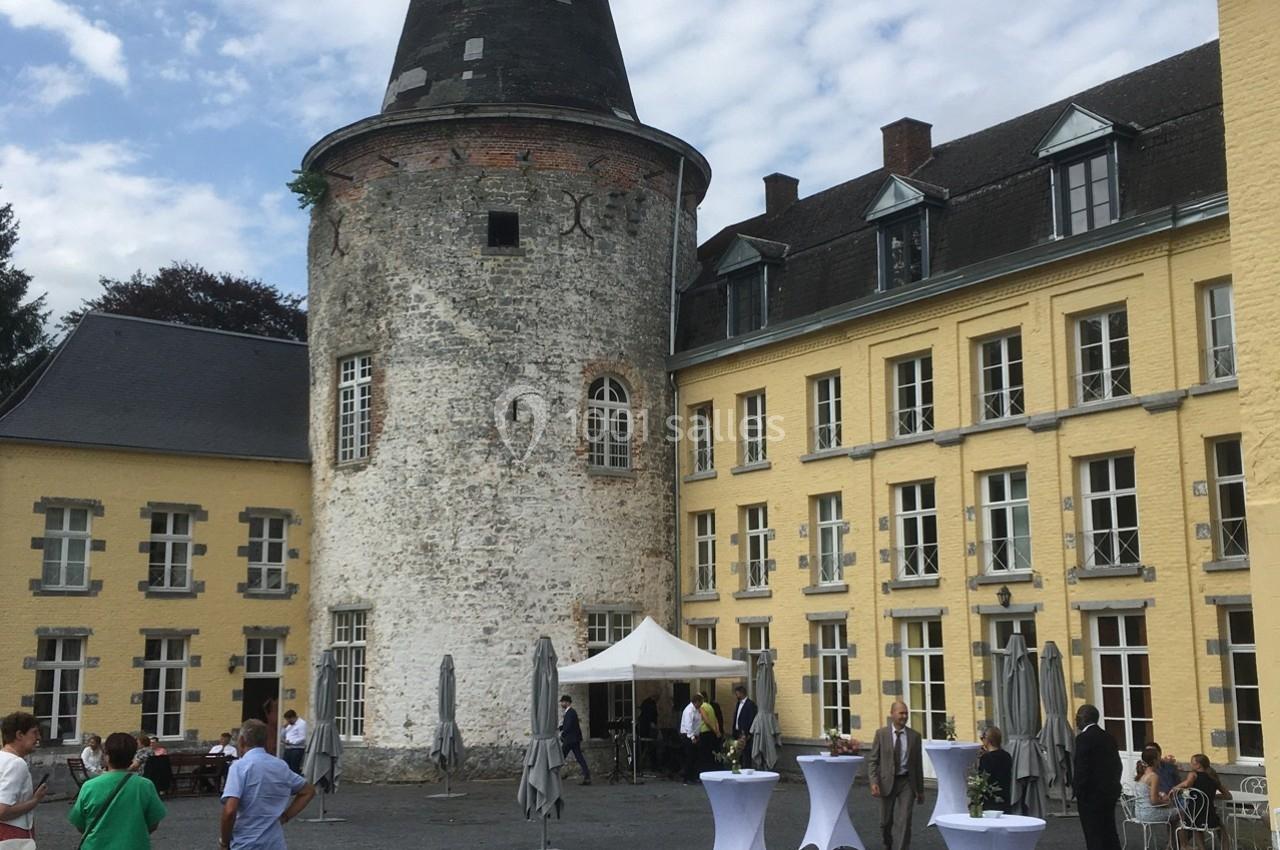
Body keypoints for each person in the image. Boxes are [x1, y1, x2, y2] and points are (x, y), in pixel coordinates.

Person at [220, 719, 316, 850]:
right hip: (274, 842)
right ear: (265, 741)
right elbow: (308, 791)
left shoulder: (239, 767)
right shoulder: (280, 765)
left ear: (242, 740)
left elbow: (230, 811)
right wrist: (286, 816)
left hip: (246, 841)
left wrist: (224, 842)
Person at [69, 732, 167, 848]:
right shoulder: (145, 786)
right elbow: (153, 823)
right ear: (132, 757)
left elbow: (80, 823)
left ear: (107, 756)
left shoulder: (90, 786)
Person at [867, 701, 924, 850]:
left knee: (905, 819)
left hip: (907, 782)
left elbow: (918, 765)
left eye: (906, 713)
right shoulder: (881, 734)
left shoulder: (915, 736)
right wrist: (874, 782)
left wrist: (920, 790)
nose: (904, 716)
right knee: (885, 822)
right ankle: (888, 844)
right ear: (892, 714)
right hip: (886, 782)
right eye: (901, 713)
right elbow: (873, 760)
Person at [1073, 704, 1123, 850]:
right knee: (1109, 830)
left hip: (1090, 795)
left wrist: (1078, 789)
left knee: (1093, 833)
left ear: (1084, 719)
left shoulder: (1083, 739)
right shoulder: (1109, 737)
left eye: (1078, 717)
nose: (1076, 721)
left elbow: (1082, 767)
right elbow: (1117, 765)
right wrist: (1114, 785)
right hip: (1109, 793)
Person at [0, 712, 47, 845]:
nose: (38, 737)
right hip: (11, 835)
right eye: (34, 732)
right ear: (19, 735)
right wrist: (35, 800)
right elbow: (2, 811)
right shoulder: (16, 763)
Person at [1170, 753, 1230, 845]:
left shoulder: (1193, 774)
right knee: (1221, 826)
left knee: (1186, 821)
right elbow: (1227, 795)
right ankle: (1226, 847)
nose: (1190, 764)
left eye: (1192, 762)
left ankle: (1185, 846)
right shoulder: (1212, 777)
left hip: (1193, 817)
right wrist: (1211, 796)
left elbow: (1187, 784)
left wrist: (1175, 788)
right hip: (1209, 817)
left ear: (1198, 765)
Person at [1132, 746, 1178, 833]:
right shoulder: (1153, 776)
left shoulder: (1142, 774)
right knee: (1179, 813)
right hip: (1149, 813)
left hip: (1139, 813)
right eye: (1158, 758)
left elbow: (1146, 794)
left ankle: (1171, 843)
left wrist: (1161, 796)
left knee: (1172, 811)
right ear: (1154, 761)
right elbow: (1154, 801)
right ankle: (1182, 844)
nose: (1160, 760)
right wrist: (1167, 802)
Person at [979, 725, 1014, 813]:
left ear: (987, 740)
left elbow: (982, 779)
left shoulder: (986, 758)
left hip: (990, 799)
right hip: (1005, 796)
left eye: (982, 738)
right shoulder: (1007, 756)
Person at [557, 695, 590, 786]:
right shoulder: (570, 712)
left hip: (570, 739)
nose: (561, 704)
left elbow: (568, 726)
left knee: (560, 756)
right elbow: (567, 725)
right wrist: (560, 728)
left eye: (563, 702)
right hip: (573, 739)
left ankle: (553, 776)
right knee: (579, 757)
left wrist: (562, 733)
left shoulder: (570, 712)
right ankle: (587, 776)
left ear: (567, 702)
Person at [731, 685, 758, 771]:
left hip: (745, 733)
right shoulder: (738, 703)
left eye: (737, 694)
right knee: (738, 754)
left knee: (746, 753)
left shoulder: (750, 704)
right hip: (737, 732)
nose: (736, 696)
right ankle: (739, 768)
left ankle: (747, 769)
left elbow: (751, 719)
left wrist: (749, 733)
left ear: (741, 693)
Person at [696, 692, 722, 773]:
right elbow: (715, 720)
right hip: (711, 733)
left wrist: (714, 730)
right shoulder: (710, 706)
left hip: (704, 732)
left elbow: (706, 720)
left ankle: (704, 772)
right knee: (710, 754)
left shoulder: (702, 706)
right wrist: (717, 731)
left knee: (703, 755)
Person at [679, 695, 702, 785]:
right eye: (700, 702)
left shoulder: (696, 710)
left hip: (695, 735)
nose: (701, 704)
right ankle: (687, 777)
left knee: (695, 757)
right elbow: (689, 725)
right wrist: (692, 737)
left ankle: (693, 776)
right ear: (696, 702)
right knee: (689, 757)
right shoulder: (689, 710)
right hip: (688, 736)